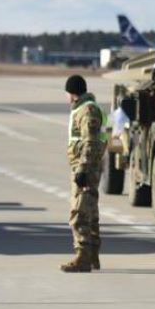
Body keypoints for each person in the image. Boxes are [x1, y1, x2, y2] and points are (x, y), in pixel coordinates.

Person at [62, 75, 107, 273]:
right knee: (91, 213)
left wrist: (82, 169)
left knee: (79, 214)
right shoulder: (84, 109)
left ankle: (83, 257)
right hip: (88, 167)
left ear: (72, 93)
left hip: (85, 169)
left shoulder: (87, 111)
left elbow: (90, 142)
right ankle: (93, 256)